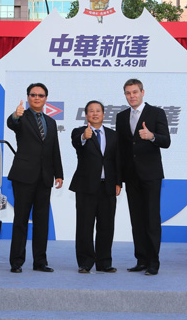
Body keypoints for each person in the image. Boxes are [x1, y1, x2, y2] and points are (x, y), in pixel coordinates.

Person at [116, 78, 170, 276]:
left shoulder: (156, 113)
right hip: (131, 177)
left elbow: (166, 141)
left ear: (142, 92)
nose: (132, 96)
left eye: (135, 92)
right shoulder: (121, 117)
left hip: (151, 175)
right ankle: (141, 259)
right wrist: (118, 179)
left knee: (151, 219)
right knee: (136, 219)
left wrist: (152, 136)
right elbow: (121, 150)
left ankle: (153, 262)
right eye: (128, 93)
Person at [7, 83, 63, 273]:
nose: (36, 98)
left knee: (42, 221)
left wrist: (59, 174)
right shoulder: (21, 117)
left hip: (45, 178)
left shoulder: (51, 122)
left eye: (40, 95)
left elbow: (55, 149)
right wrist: (16, 115)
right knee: (21, 220)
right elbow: (11, 123)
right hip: (23, 177)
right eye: (33, 95)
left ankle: (40, 262)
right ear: (28, 97)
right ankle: (16, 262)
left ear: (46, 98)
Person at [69, 100, 121, 274]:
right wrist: (85, 137)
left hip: (107, 187)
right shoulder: (79, 132)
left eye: (98, 110)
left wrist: (118, 182)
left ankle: (104, 262)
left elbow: (117, 161)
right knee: (85, 226)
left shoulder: (113, 135)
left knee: (107, 226)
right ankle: (85, 262)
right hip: (86, 187)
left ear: (104, 114)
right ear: (86, 115)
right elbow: (77, 143)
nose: (95, 113)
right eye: (91, 111)